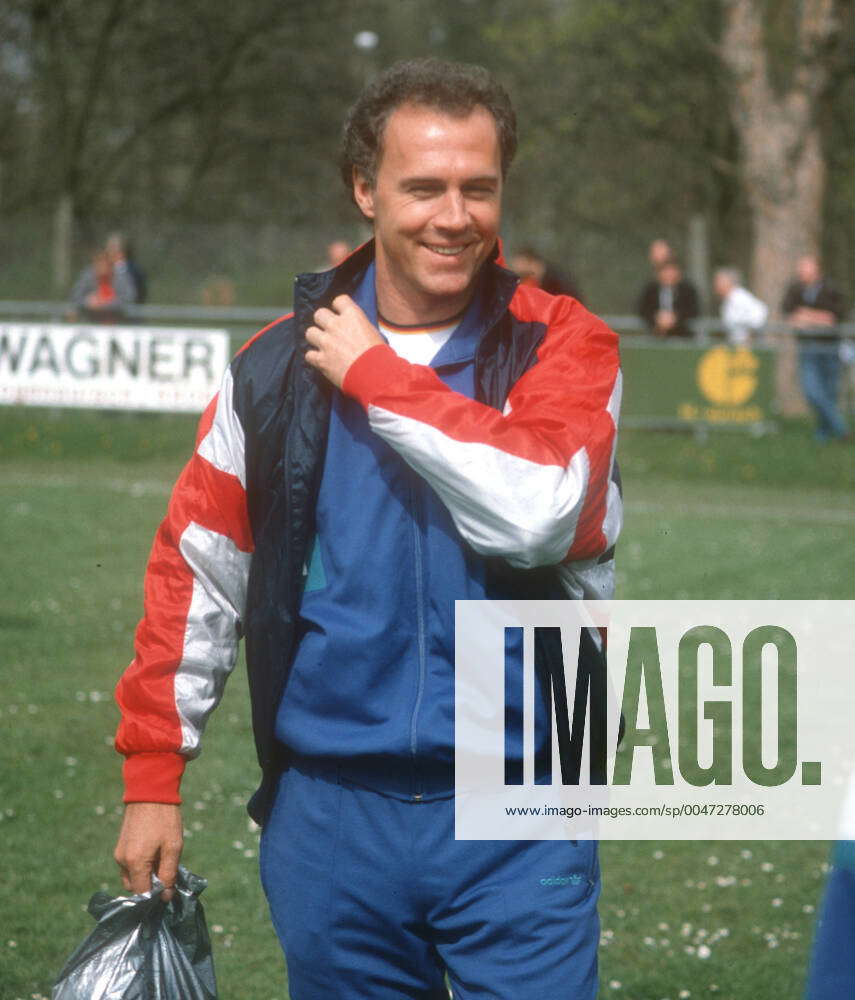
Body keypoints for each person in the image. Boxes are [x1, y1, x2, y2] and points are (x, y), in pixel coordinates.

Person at [112, 57, 622, 1000]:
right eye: (422, 186)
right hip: (333, 815)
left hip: (524, 808)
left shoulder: (565, 343)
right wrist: (154, 772)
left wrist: (377, 377)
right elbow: (200, 575)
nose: (453, 214)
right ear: (364, 190)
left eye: (479, 187)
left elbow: (539, 511)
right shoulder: (269, 369)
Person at [782, 254, 849, 442]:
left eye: (805, 267)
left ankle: (823, 434)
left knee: (829, 391)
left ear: (816, 269)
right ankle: (841, 428)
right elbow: (789, 312)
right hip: (807, 346)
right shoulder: (795, 289)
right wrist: (818, 318)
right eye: (800, 268)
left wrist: (807, 315)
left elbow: (834, 317)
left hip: (830, 346)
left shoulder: (832, 288)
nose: (801, 272)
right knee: (812, 390)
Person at [637, 257, 700, 338]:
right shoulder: (650, 290)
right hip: (655, 335)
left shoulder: (687, 290)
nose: (669, 275)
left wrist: (675, 318)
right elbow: (642, 309)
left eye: (672, 271)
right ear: (659, 273)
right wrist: (657, 318)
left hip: (683, 336)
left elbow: (694, 310)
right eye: (665, 271)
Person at [509, 244, 584, 303]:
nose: (515, 266)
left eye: (520, 262)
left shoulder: (557, 279)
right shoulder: (537, 279)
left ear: (529, 261)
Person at [713, 266, 768, 346]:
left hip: (745, 345)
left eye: (719, 282)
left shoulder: (740, 296)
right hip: (735, 343)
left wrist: (751, 334)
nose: (716, 286)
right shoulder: (728, 300)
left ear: (727, 283)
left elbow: (761, 311)